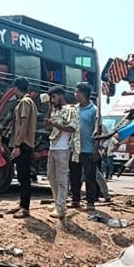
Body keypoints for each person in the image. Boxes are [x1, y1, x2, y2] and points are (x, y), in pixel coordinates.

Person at [45, 86, 79, 219]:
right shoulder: (55, 110)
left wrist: (54, 124)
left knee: (61, 179)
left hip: (63, 148)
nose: (52, 100)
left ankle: (60, 207)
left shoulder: (71, 110)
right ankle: (57, 203)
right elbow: (47, 126)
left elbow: (72, 128)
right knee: (51, 177)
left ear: (60, 95)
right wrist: (49, 111)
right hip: (53, 147)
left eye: (53, 97)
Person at [6, 77, 37, 219]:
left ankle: (25, 208)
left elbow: (24, 124)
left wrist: (17, 145)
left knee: (24, 177)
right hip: (24, 143)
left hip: (23, 144)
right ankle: (22, 204)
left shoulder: (25, 102)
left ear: (16, 88)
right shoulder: (28, 101)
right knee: (21, 175)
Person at [70, 82, 100, 211]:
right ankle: (75, 200)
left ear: (83, 94)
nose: (75, 94)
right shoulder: (74, 109)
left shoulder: (94, 110)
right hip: (75, 149)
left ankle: (90, 202)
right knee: (74, 176)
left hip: (88, 149)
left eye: (76, 92)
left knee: (90, 177)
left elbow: (98, 131)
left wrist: (95, 150)